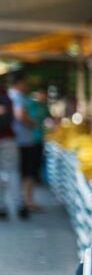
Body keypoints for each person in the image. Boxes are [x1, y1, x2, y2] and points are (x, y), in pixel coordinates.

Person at [9, 73, 42, 214]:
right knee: (27, 172)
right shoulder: (18, 97)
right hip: (23, 140)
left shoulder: (9, 95)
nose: (27, 86)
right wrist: (33, 123)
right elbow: (20, 115)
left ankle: (21, 201)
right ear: (20, 83)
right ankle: (27, 201)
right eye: (25, 83)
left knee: (15, 171)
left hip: (13, 139)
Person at [0, 77, 25, 219]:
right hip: (8, 139)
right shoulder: (6, 97)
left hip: (7, 139)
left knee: (10, 172)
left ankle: (2, 206)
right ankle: (19, 204)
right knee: (13, 172)